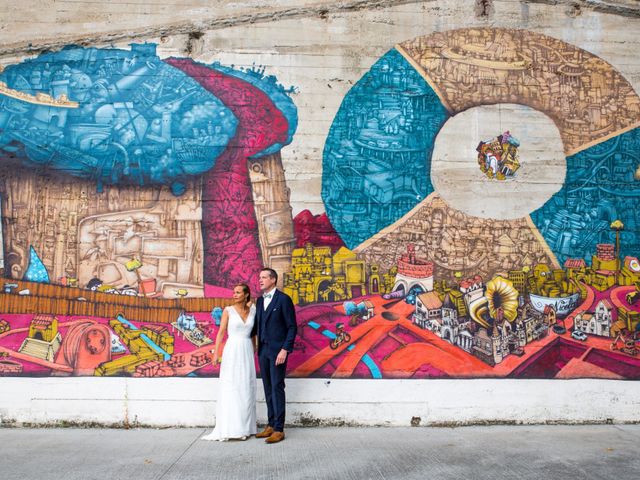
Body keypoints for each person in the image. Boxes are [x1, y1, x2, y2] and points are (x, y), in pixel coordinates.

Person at [202, 284, 257, 442]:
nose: (235, 295)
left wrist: (254, 348)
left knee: (246, 386)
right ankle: (232, 428)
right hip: (232, 350)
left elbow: (254, 333)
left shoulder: (253, 310)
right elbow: (220, 333)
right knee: (232, 387)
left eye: (238, 292)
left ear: (246, 295)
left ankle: (246, 427)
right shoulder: (228, 311)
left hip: (247, 350)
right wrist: (216, 353)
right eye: (234, 292)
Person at [252, 268, 297, 444]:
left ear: (273, 280)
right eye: (259, 277)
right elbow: (258, 325)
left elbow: (292, 327)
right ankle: (270, 424)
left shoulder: (284, 300)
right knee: (268, 387)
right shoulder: (259, 300)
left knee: (277, 387)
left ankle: (279, 428)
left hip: (278, 352)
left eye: (263, 277)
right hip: (263, 351)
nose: (260, 280)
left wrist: (285, 349)